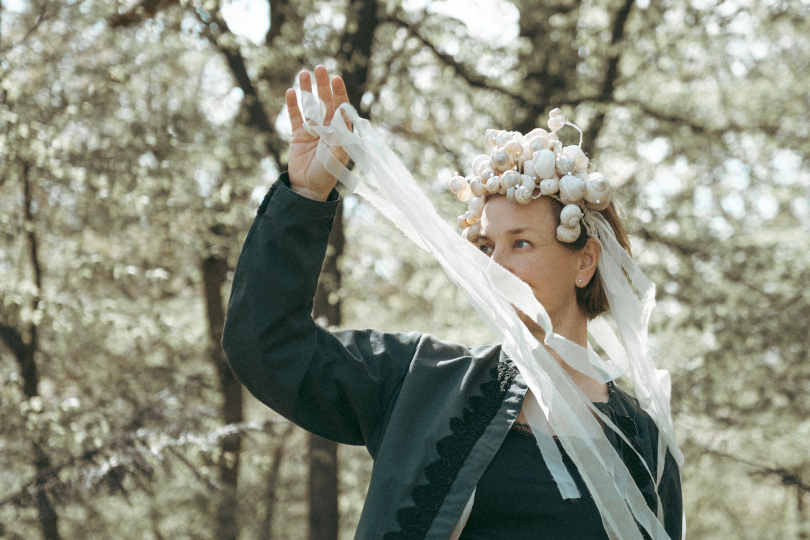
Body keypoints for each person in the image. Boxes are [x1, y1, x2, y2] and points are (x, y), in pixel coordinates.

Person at [222, 65, 683, 540]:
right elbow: (267, 347)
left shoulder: (643, 442)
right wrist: (306, 194)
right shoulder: (420, 382)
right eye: (486, 247)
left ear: (585, 262)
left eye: (520, 243)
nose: (493, 267)